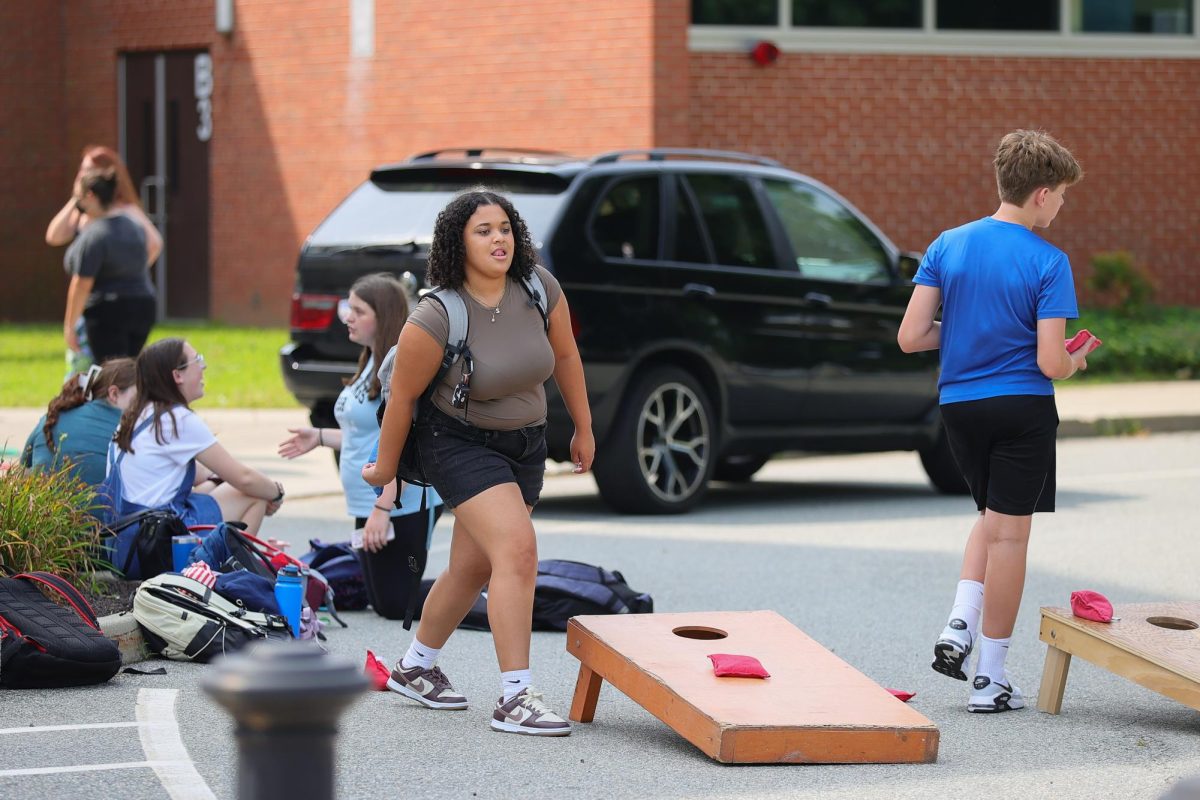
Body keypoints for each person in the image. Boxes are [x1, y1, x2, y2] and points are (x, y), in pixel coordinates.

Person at [363, 189, 595, 736]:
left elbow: (565, 355)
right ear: (458, 243)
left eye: (505, 228)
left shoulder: (539, 287)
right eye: (483, 231)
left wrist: (583, 428)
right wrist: (386, 469)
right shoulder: (437, 315)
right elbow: (399, 399)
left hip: (527, 443)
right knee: (517, 550)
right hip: (458, 443)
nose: (499, 240)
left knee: (475, 566)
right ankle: (515, 697)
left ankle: (415, 666)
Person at [897, 129, 1098, 714]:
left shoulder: (947, 244)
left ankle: (960, 622)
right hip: (1021, 409)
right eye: (1061, 195)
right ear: (1040, 194)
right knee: (1011, 534)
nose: (1062, 206)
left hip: (960, 406)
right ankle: (991, 676)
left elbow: (911, 337)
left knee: (989, 518)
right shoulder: (1048, 261)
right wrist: (1078, 360)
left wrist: (961, 336)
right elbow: (1049, 361)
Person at [277, 273, 443, 619]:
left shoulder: (399, 361)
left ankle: (477, 590)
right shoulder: (369, 360)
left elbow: (403, 437)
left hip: (400, 501)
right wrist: (320, 437)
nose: (346, 317)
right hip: (368, 500)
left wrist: (383, 508)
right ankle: (465, 588)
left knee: (398, 605)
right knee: (384, 601)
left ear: (382, 317)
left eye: (357, 310)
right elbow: (366, 436)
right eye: (346, 308)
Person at [105, 338, 285, 535]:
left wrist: (227, 480)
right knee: (253, 495)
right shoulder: (176, 419)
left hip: (127, 540)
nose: (204, 366)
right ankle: (231, 562)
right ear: (177, 375)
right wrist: (275, 493)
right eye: (197, 360)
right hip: (158, 543)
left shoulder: (136, 416)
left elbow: (207, 473)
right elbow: (244, 478)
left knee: (238, 488)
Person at [46, 146, 162, 374]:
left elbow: (81, 284)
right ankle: (129, 408)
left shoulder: (97, 233)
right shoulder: (132, 226)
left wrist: (69, 326)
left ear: (91, 195)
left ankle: (109, 410)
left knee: (109, 376)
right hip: (143, 304)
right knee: (126, 372)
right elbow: (54, 235)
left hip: (107, 309)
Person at [21, 359, 137, 486]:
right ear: (114, 394)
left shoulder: (50, 419)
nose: (146, 406)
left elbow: (21, 470)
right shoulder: (133, 429)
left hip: (43, 503)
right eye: (140, 397)